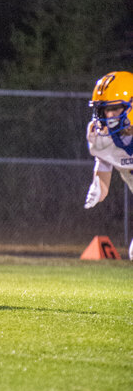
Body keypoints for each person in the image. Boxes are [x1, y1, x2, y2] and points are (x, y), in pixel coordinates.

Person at [83, 71, 133, 261]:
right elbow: (104, 168)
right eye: (104, 110)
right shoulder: (102, 139)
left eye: (115, 108)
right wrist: (98, 187)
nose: (108, 116)